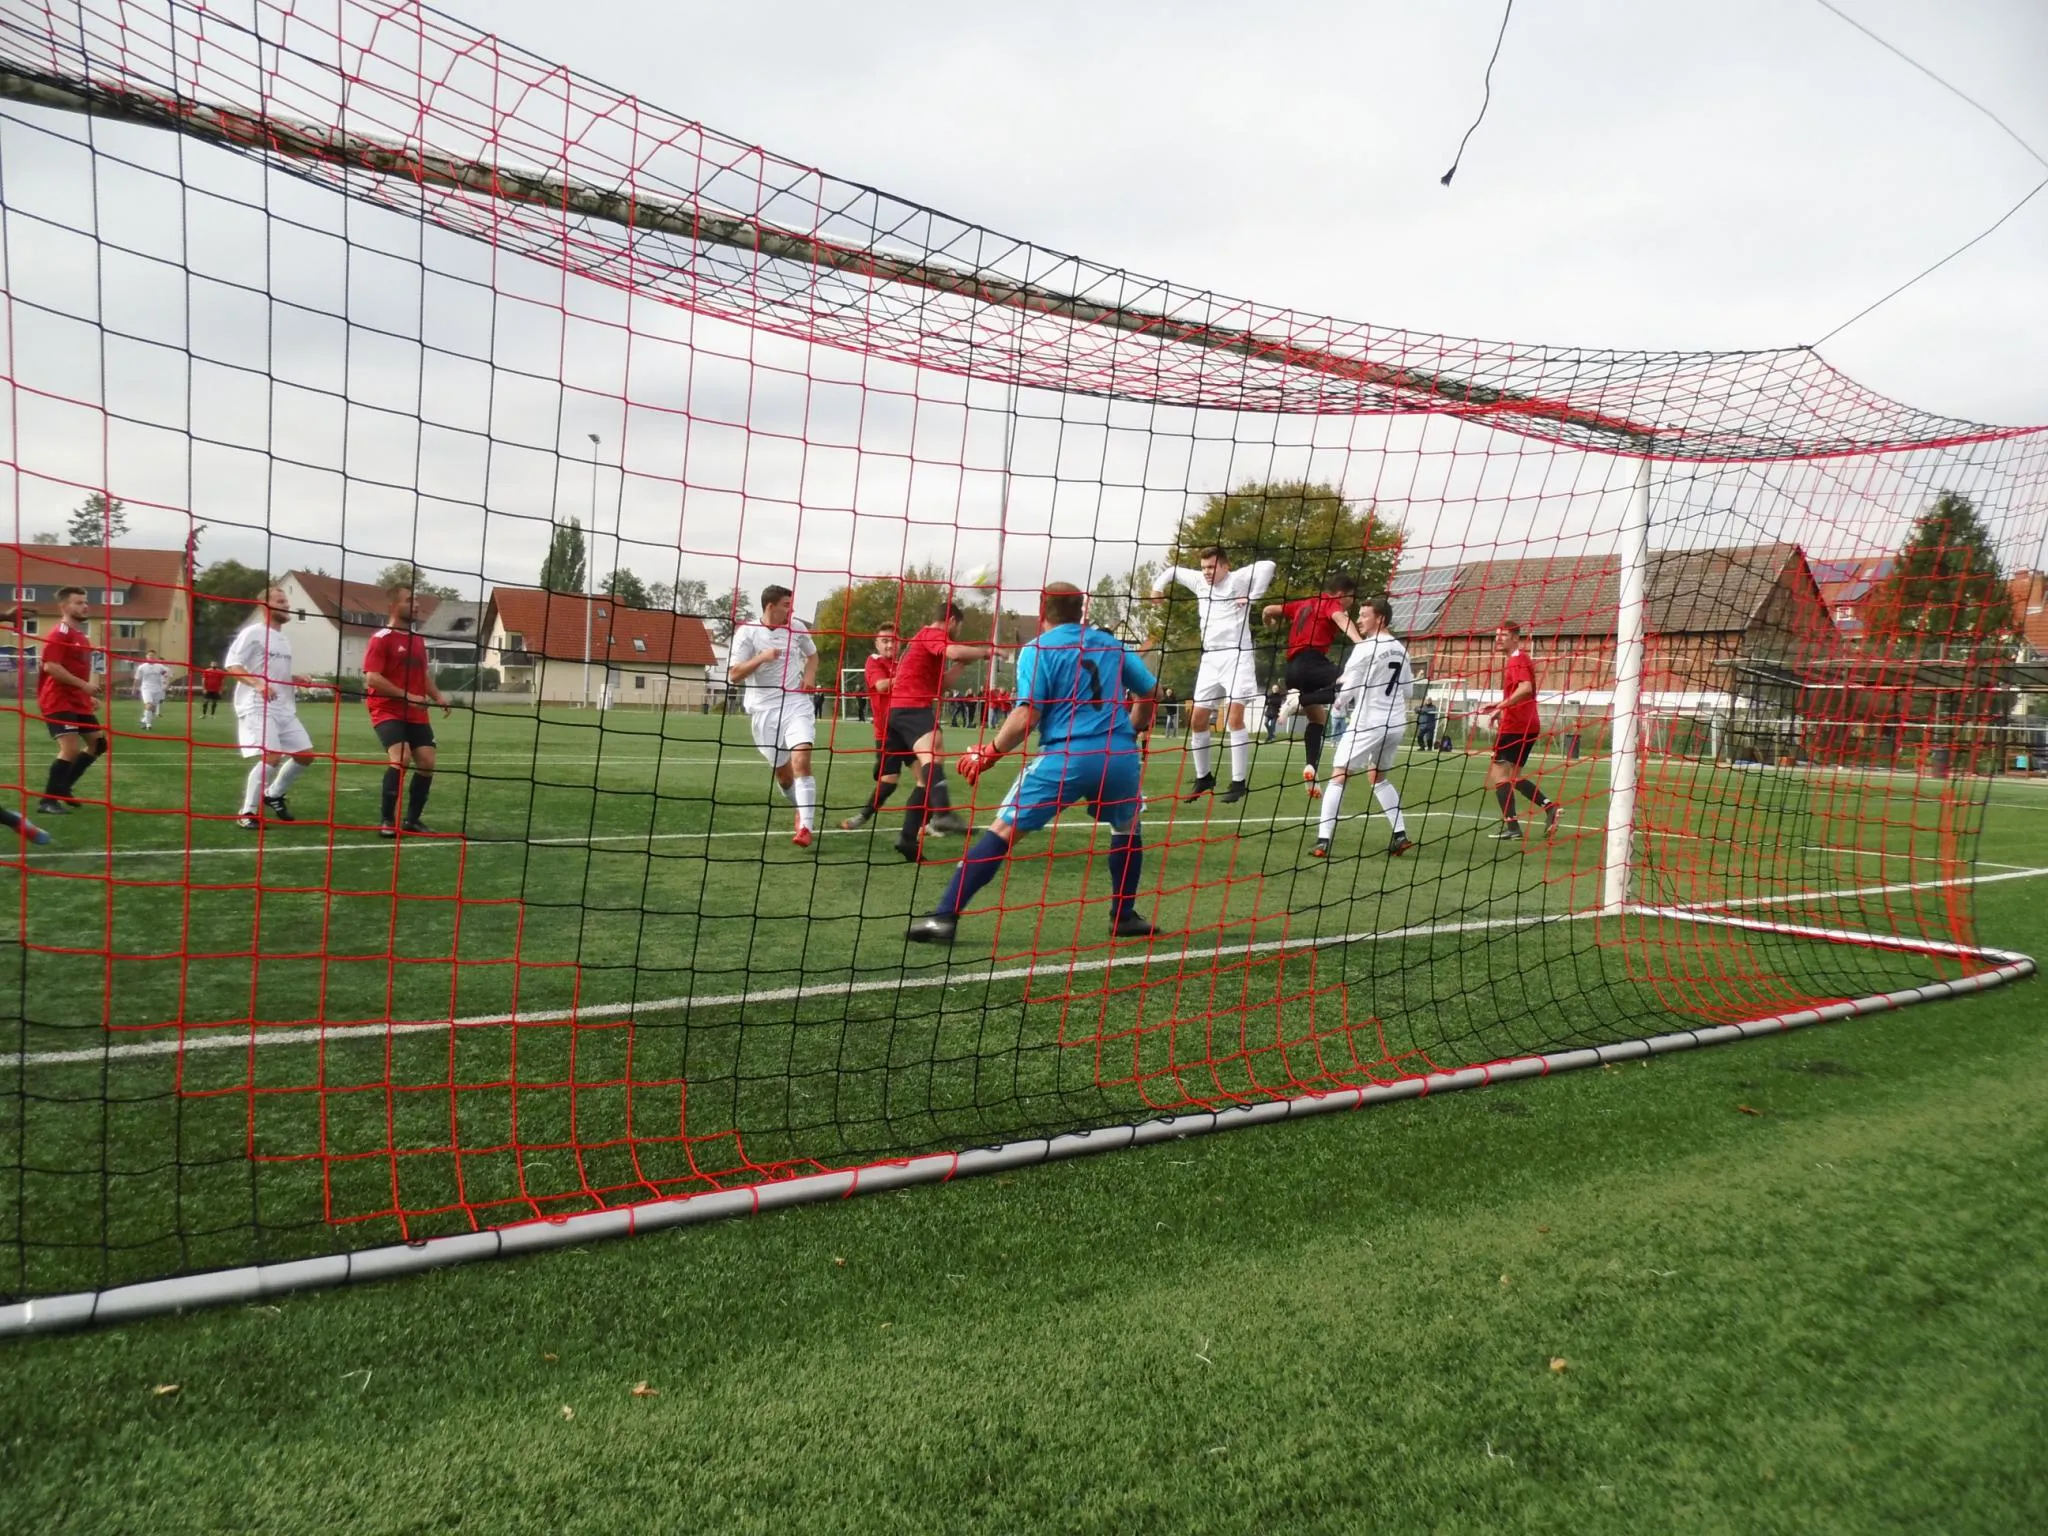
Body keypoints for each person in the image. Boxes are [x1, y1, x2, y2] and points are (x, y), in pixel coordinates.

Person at [909, 583, 1158, 945]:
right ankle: (1124, 915)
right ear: (1081, 610)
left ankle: (944, 917)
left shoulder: (1038, 649)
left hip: (1067, 757)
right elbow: (1150, 692)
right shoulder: (1111, 644)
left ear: (1042, 611)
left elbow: (1028, 715)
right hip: (1119, 757)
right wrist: (1130, 730)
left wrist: (989, 752)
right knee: (1127, 827)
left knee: (1003, 831)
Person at [1153, 545, 1276, 803]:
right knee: (1197, 720)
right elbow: (1172, 571)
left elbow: (1268, 566)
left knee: (1234, 718)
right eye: (1204, 567)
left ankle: (1238, 782)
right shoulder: (1199, 581)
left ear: (1224, 566)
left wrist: (1252, 597)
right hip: (1210, 658)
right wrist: (1157, 588)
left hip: (1237, 656)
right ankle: (1204, 777)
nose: (1207, 572)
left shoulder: (1238, 579)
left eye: (1211, 567)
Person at [883, 601, 987, 860]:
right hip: (910, 707)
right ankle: (942, 813)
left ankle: (908, 839)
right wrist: (986, 651)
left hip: (899, 712)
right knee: (935, 749)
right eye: (959, 627)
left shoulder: (927, 643)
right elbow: (953, 650)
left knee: (924, 778)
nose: (958, 632)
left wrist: (962, 664)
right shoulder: (932, 633)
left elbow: (941, 684)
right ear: (951, 621)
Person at [1311, 595, 1413, 859]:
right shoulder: (1401, 650)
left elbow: (1349, 686)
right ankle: (1400, 835)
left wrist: (1336, 703)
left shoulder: (1365, 647)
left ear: (1381, 619)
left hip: (1368, 722)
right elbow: (1408, 691)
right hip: (1395, 724)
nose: (1359, 620)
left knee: (1338, 775)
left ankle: (1323, 841)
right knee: (1377, 777)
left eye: (1364, 615)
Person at [727, 584, 821, 848]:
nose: (791, 610)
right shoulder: (747, 633)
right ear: (770, 606)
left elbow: (813, 656)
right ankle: (800, 808)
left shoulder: (797, 628)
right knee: (784, 776)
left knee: (801, 759)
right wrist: (761, 658)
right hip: (764, 712)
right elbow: (734, 675)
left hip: (796, 704)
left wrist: (810, 676)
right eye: (786, 605)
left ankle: (806, 827)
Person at [221, 585, 317, 829]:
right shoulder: (253, 632)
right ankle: (247, 812)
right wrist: (257, 684)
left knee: (305, 755)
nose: (287, 605)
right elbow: (232, 665)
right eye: (280, 601)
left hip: (283, 706)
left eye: (286, 601)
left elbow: (273, 673)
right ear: (265, 605)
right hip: (257, 704)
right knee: (272, 756)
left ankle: (273, 794)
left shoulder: (283, 639)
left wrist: (295, 678)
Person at [1261, 573, 1364, 800]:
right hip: (1311, 663)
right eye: (1351, 598)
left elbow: (1268, 609)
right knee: (1355, 682)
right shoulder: (1331, 603)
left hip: (1292, 670)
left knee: (1318, 719)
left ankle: (1311, 767)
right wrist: (1361, 643)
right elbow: (1342, 620)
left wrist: (1269, 624)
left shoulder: (1303, 604)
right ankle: (1298, 700)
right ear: (1342, 594)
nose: (1351, 603)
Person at [362, 584, 452, 838]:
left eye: (417, 600)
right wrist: (407, 695)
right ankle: (387, 820)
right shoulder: (381, 638)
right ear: (393, 606)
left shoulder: (418, 640)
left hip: (416, 712)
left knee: (427, 762)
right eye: (410, 600)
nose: (416, 605)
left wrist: (437, 696)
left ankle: (412, 820)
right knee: (401, 758)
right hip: (386, 710)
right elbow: (372, 677)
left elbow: (422, 674)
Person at [1476, 619, 1557, 842]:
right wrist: (1498, 705)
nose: (1498, 639)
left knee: (1499, 775)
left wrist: (1501, 707)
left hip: (1515, 727)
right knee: (1513, 777)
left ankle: (1513, 828)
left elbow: (1525, 688)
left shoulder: (1516, 659)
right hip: (1528, 725)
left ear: (1515, 638)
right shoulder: (1521, 659)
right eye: (1496, 635)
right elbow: (1522, 693)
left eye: (1503, 635)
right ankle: (1549, 807)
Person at [35, 586, 110, 816]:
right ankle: (48, 801)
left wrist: (86, 695)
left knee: (98, 744)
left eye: (85, 602)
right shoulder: (60, 633)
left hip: (77, 700)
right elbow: (51, 667)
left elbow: (75, 669)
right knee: (70, 748)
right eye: (78, 602)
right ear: (64, 606)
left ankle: (63, 788)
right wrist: (84, 686)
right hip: (57, 700)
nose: (85, 606)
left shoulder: (81, 636)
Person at [842, 623, 902, 831]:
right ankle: (863, 815)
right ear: (877, 643)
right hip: (887, 731)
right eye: (885, 641)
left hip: (910, 729)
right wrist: (909, 677)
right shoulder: (873, 661)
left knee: (928, 774)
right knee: (888, 780)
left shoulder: (905, 662)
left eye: (893, 640)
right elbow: (882, 685)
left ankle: (930, 820)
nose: (890, 645)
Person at [133, 649, 170, 731]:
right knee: (148, 705)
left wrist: (167, 684)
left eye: (153, 655)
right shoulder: (142, 667)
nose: (151, 657)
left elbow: (166, 676)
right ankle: (148, 724)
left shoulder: (160, 666)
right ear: (146, 656)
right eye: (149, 655)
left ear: (155, 657)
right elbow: (137, 678)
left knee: (153, 708)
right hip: (146, 688)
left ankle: (144, 720)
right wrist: (134, 688)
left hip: (157, 689)